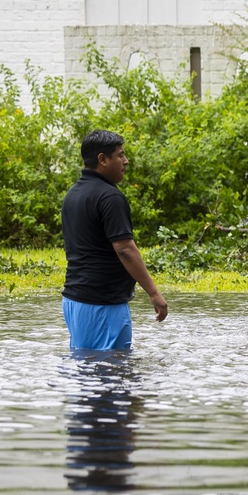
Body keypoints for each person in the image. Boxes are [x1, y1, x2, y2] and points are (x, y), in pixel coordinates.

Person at [61, 130, 168, 351]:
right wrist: (154, 293)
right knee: (113, 366)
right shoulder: (110, 197)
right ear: (102, 159)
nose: (126, 161)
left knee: (86, 363)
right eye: (120, 155)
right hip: (102, 303)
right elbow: (125, 249)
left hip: (75, 299)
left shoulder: (73, 194)